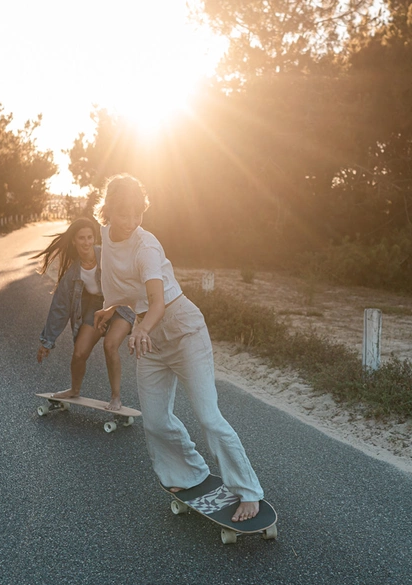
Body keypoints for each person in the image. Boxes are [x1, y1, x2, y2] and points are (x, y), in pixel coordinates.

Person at [92, 175, 263, 522]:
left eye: (137, 212)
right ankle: (189, 474)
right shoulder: (106, 237)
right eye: (123, 213)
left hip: (182, 331)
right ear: (107, 210)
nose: (130, 221)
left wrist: (141, 328)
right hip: (151, 339)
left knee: (208, 417)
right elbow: (126, 285)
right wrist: (110, 308)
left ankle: (248, 491)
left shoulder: (147, 246)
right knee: (154, 421)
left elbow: (156, 301)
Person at [35, 218, 135, 411]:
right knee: (79, 352)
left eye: (90, 237)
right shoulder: (73, 273)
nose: (86, 242)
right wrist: (47, 341)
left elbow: (129, 282)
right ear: (74, 240)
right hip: (97, 309)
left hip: (121, 306)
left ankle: (116, 397)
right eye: (81, 238)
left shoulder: (107, 256)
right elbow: (59, 308)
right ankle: (74, 389)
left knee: (110, 345)